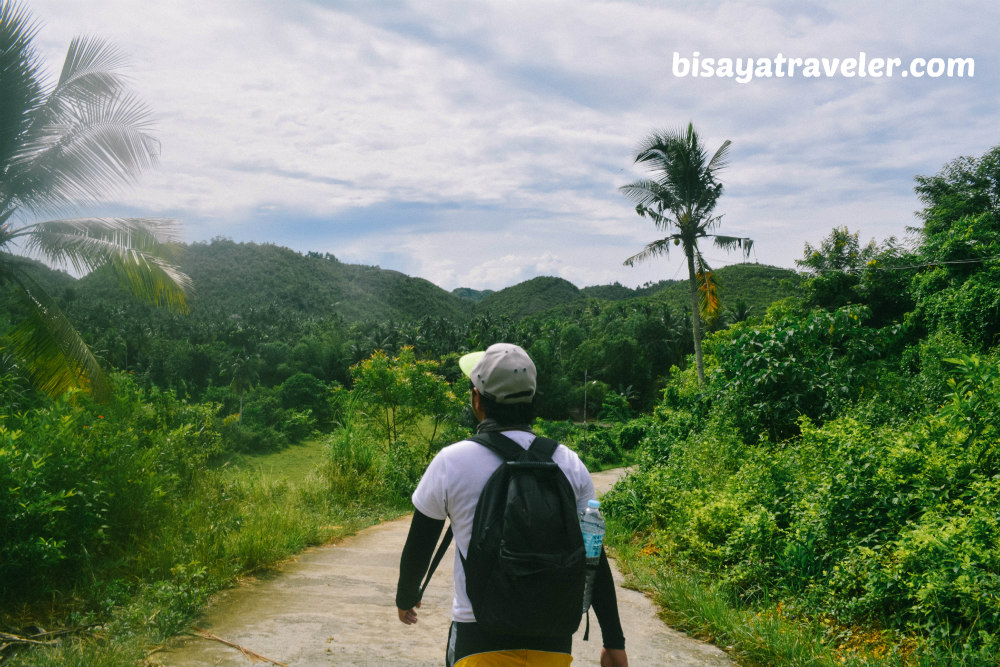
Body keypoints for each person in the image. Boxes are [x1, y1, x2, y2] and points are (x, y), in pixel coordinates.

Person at [396, 343, 629, 667]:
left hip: (478, 639)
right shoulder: (569, 463)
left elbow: (420, 544)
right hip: (554, 641)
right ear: (534, 401)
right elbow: (593, 554)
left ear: (477, 399)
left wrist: (406, 597)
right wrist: (613, 641)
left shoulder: (452, 461)